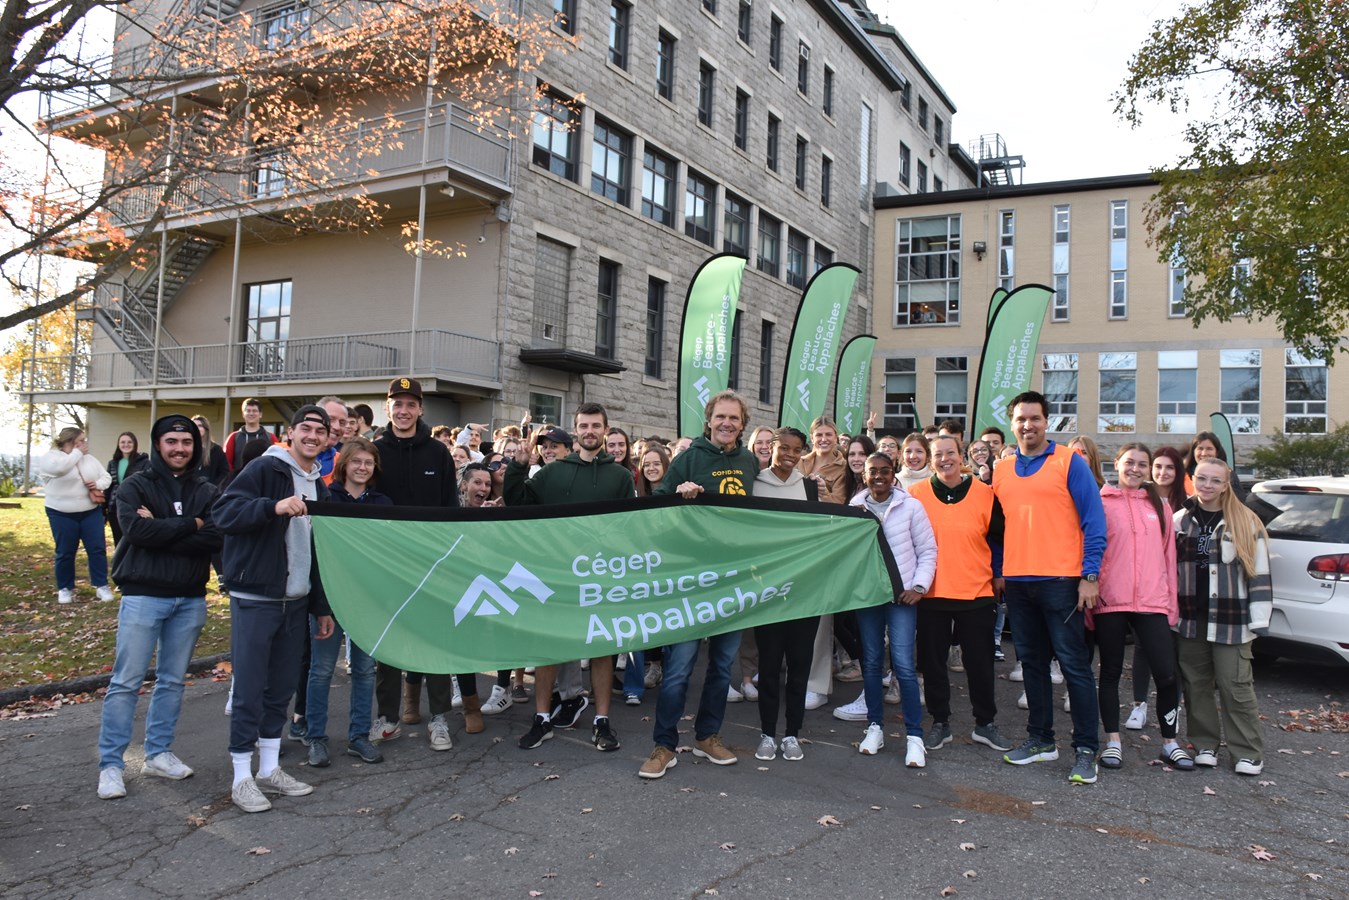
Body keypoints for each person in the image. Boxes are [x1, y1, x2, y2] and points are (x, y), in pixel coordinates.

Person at [214, 404, 335, 813]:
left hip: (295, 602)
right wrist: (273, 507)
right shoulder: (267, 470)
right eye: (306, 428)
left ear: (327, 439)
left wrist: (320, 605)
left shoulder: (320, 484)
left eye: (321, 430)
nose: (313, 436)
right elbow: (224, 512)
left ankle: (268, 769)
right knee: (248, 689)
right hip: (256, 598)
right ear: (291, 433)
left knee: (280, 689)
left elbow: (319, 554)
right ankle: (241, 777)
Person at [96, 415, 222, 800]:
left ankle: (158, 753)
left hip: (190, 597)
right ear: (158, 443)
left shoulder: (207, 488)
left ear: (196, 446)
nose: (180, 448)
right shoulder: (135, 484)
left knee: (171, 680)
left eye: (186, 441)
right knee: (126, 682)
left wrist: (165, 527)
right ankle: (111, 765)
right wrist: (191, 524)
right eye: (171, 441)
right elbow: (136, 531)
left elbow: (215, 537)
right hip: (144, 595)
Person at [640, 390, 758, 779]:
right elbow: (656, 504)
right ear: (709, 420)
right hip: (692, 580)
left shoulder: (749, 461)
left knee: (722, 668)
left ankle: (708, 736)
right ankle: (665, 745)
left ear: (743, 425)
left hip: (733, 580)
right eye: (720, 417)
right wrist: (678, 494)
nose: (727, 424)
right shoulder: (688, 459)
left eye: (734, 419)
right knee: (679, 668)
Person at [505, 403, 635, 752]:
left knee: (602, 650)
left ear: (606, 430)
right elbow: (517, 504)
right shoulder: (554, 471)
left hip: (600, 576)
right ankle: (542, 719)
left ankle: (602, 721)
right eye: (583, 425)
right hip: (556, 575)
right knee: (549, 647)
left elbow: (630, 529)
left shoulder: (621, 477)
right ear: (576, 430)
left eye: (596, 425)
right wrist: (519, 467)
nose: (589, 430)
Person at [993, 391, 1106, 785]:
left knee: (1074, 666)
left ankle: (1087, 749)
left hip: (1061, 582)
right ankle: (1041, 740)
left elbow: (1095, 522)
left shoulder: (1069, 463)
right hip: (1019, 584)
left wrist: (1089, 576)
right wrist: (998, 570)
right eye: (1021, 419)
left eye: (1035, 418)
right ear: (1012, 423)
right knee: (1032, 665)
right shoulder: (1002, 470)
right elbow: (997, 530)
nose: (1028, 425)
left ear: (1047, 422)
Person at [372, 377, 478, 750]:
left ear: (420, 409)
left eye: (410, 404)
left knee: (435, 640)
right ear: (388, 408)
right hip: (386, 564)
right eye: (396, 404)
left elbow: (450, 509)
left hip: (432, 563)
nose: (403, 411)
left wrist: (450, 558)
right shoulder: (375, 451)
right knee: (388, 642)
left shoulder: (437, 453)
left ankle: (438, 719)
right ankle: (386, 718)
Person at [908, 435, 1013, 756]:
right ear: (930, 459)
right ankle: (940, 722)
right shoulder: (916, 494)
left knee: (980, 663)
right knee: (933, 663)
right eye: (938, 455)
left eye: (950, 453)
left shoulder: (985, 493)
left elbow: (999, 537)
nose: (944, 459)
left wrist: (999, 573)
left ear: (961, 455)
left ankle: (985, 723)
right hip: (932, 593)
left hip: (977, 592)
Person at [1090, 443, 1190, 771]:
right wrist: (1091, 599)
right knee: (1111, 673)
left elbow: (1168, 559)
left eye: (1142, 464)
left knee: (1166, 674)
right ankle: (1113, 742)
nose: (1135, 469)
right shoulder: (1101, 503)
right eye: (1129, 462)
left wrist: (1170, 604)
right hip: (1111, 601)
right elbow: (1092, 550)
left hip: (1152, 602)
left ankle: (1170, 743)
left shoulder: (1159, 506)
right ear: (1116, 463)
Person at [1174, 458, 1270, 775]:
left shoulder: (1245, 520)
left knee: (1235, 686)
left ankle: (1247, 752)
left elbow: (1259, 574)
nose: (1208, 486)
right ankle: (1204, 745)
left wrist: (1259, 618)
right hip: (1190, 618)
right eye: (1202, 478)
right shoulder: (1179, 521)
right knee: (1196, 685)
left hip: (1232, 621)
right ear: (1192, 480)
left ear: (1226, 485)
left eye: (1216, 481)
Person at [841, 453, 935, 767]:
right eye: (872, 471)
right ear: (864, 475)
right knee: (870, 663)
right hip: (868, 597)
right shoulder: (854, 509)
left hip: (902, 598)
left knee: (905, 666)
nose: (879, 476)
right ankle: (875, 727)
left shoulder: (911, 506)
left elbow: (927, 551)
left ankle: (914, 736)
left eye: (885, 471)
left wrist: (919, 587)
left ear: (893, 473)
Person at [304, 436, 387, 769]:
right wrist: (320, 606)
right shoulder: (326, 497)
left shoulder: (383, 503)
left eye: (368, 462)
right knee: (321, 670)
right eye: (356, 461)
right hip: (330, 598)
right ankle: (316, 739)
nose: (362, 468)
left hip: (367, 600)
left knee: (365, 671)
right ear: (343, 465)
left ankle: (359, 737)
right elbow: (317, 556)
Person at [750, 427, 820, 761]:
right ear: (771, 447)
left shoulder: (808, 486)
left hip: (804, 590)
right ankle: (767, 733)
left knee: (799, 666)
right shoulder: (754, 482)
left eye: (797, 450)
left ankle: (792, 734)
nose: (790, 456)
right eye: (784, 449)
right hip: (768, 591)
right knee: (770, 664)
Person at [39, 427, 114, 604]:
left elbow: (106, 477)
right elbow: (60, 470)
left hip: (90, 511)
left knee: (97, 549)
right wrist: (77, 453)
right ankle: (65, 588)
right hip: (61, 512)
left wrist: (96, 483)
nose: (85, 444)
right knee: (65, 551)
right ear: (70, 441)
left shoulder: (89, 459)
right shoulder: (51, 457)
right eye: (81, 440)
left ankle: (101, 585)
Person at [104, 432, 148, 547]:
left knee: (133, 540)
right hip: (115, 508)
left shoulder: (143, 462)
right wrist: (104, 508)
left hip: (134, 508)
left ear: (135, 444)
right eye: (122, 442)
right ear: (118, 445)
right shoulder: (113, 463)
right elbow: (108, 487)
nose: (126, 445)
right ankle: (119, 564)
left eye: (129, 442)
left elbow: (147, 486)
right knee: (118, 542)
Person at [798, 416, 848, 504]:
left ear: (836, 437)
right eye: (819, 435)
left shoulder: (844, 468)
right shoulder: (800, 462)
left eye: (828, 434)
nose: (824, 439)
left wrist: (824, 493)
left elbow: (840, 502)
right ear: (812, 438)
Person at [223, 398, 277, 471]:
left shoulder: (271, 437)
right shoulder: (233, 437)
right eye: (248, 411)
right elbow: (226, 463)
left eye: (254, 411)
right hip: (240, 480)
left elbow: (277, 461)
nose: (251, 413)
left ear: (260, 414)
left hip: (264, 480)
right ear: (243, 414)